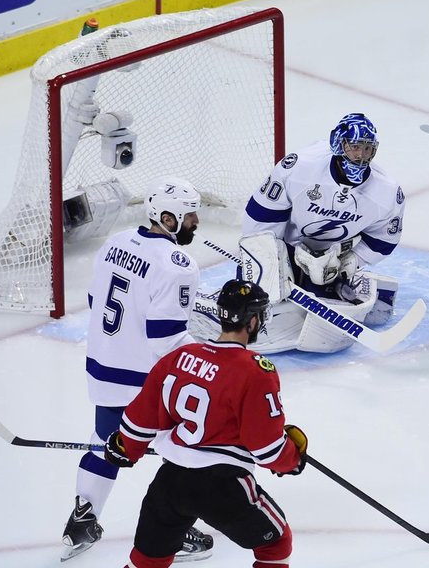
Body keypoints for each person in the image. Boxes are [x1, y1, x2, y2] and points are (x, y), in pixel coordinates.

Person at [61, 177, 214, 562]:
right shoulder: (178, 264)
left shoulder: (116, 242)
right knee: (183, 449)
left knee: (104, 441)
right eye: (189, 214)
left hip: (103, 367)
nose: (196, 220)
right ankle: (173, 533)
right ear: (166, 217)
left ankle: (82, 519)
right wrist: (211, 359)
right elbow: (165, 338)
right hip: (144, 380)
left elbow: (97, 300)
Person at [104, 279, 307, 568]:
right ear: (251, 322)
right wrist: (291, 460)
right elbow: (266, 448)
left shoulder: (179, 357)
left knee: (146, 561)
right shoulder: (256, 370)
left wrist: (125, 448)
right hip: (222, 486)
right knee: (275, 543)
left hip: (170, 483)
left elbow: (140, 420)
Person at [192, 113, 406, 354]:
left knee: (319, 298)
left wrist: (351, 261)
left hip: (331, 256)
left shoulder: (386, 192)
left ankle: (331, 284)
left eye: (368, 150)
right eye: (354, 147)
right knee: (263, 291)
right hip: (284, 244)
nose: (360, 156)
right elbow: (260, 217)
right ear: (338, 144)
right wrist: (271, 261)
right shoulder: (300, 167)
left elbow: (383, 240)